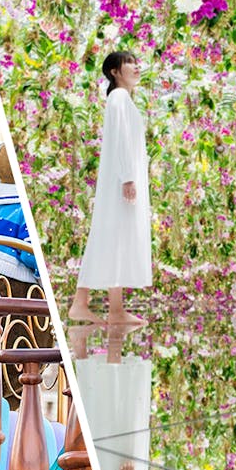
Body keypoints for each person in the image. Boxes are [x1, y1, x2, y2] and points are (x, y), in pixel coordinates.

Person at [67, 51, 152, 328]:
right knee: (111, 236)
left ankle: (115, 308)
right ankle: (82, 302)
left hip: (122, 180)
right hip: (121, 182)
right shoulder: (118, 99)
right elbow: (122, 140)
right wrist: (128, 177)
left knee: (117, 238)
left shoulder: (123, 100)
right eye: (129, 62)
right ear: (115, 71)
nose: (136, 67)